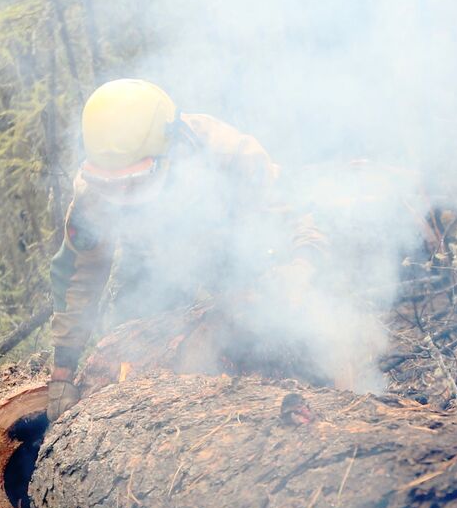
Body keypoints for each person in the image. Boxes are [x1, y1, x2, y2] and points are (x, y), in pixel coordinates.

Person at [46, 78, 326, 421]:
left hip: (235, 255)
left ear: (168, 149)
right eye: (110, 184)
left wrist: (300, 269)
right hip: (152, 266)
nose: (121, 195)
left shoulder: (227, 154)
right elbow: (78, 272)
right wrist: (63, 369)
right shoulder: (94, 190)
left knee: (267, 339)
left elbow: (295, 214)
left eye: (134, 179)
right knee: (131, 355)